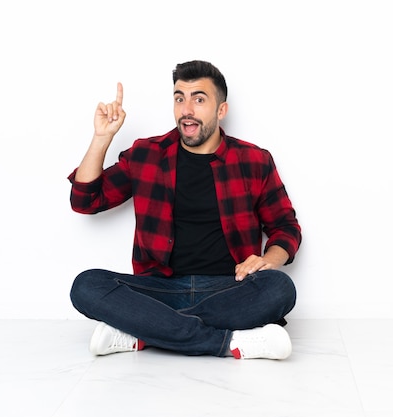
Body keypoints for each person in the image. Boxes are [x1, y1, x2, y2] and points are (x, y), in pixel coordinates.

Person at [68, 60, 301, 360]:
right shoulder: (146, 154)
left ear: (221, 110)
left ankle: (144, 332)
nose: (186, 109)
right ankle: (226, 343)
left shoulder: (253, 160)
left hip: (229, 288)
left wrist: (269, 260)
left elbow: (286, 227)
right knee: (86, 285)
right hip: (159, 289)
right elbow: (85, 200)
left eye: (199, 99)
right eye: (180, 98)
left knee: (280, 288)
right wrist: (102, 138)